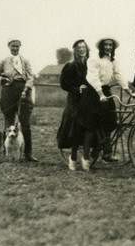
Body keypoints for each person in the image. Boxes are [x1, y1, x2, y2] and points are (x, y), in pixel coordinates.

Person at [79, 37, 135, 171]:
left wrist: (129, 92)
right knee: (92, 125)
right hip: (93, 92)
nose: (108, 47)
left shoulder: (113, 61)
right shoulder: (93, 60)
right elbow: (92, 77)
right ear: (101, 47)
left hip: (105, 91)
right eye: (106, 45)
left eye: (110, 45)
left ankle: (106, 152)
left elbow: (119, 76)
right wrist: (100, 95)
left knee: (110, 121)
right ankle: (86, 157)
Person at [0, 38, 38, 162]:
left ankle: (28, 153)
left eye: (17, 46)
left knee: (25, 124)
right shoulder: (3, 61)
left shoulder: (25, 61)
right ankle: (5, 151)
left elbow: (30, 77)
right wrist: (2, 80)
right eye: (13, 46)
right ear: (9, 46)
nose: (15, 48)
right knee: (8, 122)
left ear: (20, 47)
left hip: (23, 90)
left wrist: (25, 89)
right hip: (8, 91)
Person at [57, 39, 90, 171]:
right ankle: (73, 156)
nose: (82, 50)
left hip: (88, 99)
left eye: (84, 47)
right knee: (75, 127)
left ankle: (88, 155)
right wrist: (77, 88)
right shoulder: (70, 66)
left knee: (90, 126)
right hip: (75, 100)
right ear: (75, 50)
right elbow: (64, 84)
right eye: (79, 48)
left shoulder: (90, 64)